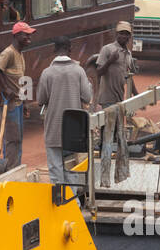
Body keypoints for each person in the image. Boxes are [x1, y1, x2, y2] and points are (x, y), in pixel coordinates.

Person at [38, 37, 92, 185]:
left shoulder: (47, 73)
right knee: (71, 168)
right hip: (73, 129)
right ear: (70, 49)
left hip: (53, 129)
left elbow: (41, 99)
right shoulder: (79, 71)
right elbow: (87, 96)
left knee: (55, 170)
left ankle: (58, 202)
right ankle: (73, 203)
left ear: (54, 51)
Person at [89, 22, 136, 189]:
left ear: (129, 37)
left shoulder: (128, 54)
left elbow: (127, 76)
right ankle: (104, 174)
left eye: (126, 34)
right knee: (106, 135)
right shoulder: (108, 50)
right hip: (107, 98)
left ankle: (115, 169)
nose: (123, 36)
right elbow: (99, 72)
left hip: (119, 99)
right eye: (121, 34)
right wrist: (110, 60)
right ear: (116, 35)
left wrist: (136, 94)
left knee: (116, 134)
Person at [0, 22, 36, 170]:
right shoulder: (9, 53)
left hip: (18, 103)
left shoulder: (20, 54)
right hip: (10, 104)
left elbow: (21, 81)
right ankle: (11, 169)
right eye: (26, 35)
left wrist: (25, 102)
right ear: (16, 35)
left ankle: (15, 168)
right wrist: (6, 88)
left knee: (18, 139)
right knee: (12, 140)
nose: (29, 38)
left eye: (29, 35)